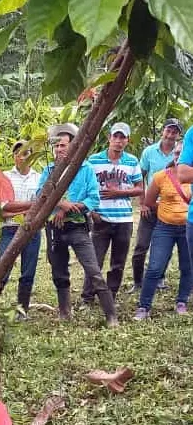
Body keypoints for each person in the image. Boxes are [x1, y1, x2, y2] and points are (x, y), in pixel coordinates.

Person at [38, 124, 117, 326]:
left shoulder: (86, 169)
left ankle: (111, 315)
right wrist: (60, 203)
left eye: (63, 145)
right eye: (56, 146)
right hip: (54, 229)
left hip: (78, 227)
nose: (59, 149)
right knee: (59, 270)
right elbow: (41, 194)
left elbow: (93, 199)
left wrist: (67, 209)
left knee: (93, 270)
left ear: (74, 146)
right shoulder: (49, 170)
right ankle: (65, 311)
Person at [82, 122, 143, 302]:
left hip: (124, 219)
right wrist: (91, 212)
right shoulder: (94, 161)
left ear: (127, 141)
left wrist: (119, 192)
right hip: (101, 218)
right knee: (95, 261)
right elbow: (85, 189)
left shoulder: (132, 161)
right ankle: (88, 297)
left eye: (122, 137)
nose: (118, 141)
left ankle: (111, 295)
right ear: (109, 138)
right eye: (115, 137)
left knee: (118, 262)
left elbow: (139, 188)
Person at [135, 143, 191, 319]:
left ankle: (182, 302)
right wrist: (166, 208)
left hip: (187, 228)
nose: (178, 155)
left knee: (187, 267)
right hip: (164, 227)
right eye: (176, 152)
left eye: (182, 153)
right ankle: (144, 307)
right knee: (154, 267)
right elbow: (149, 201)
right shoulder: (160, 177)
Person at [129, 118, 183, 293]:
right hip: (151, 207)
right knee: (141, 246)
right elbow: (140, 177)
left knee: (164, 246)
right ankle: (137, 281)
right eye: (169, 130)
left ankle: (159, 278)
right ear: (163, 131)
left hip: (170, 207)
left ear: (178, 135)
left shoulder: (181, 154)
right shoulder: (149, 152)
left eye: (174, 131)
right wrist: (143, 203)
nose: (170, 133)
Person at [0, 139, 41, 320]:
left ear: (32, 156)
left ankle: (22, 310)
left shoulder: (39, 177)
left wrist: (18, 209)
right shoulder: (5, 177)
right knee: (2, 270)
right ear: (14, 157)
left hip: (32, 230)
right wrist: (30, 206)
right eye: (19, 153)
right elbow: (3, 208)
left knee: (28, 272)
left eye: (26, 153)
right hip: (10, 229)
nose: (23, 157)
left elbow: (42, 207)